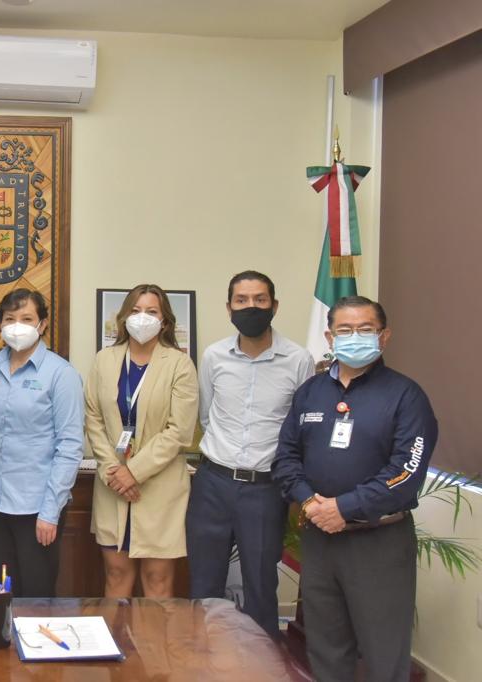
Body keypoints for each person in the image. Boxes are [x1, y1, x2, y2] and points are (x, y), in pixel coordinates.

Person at [273, 295, 437, 682]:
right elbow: (285, 458)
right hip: (320, 539)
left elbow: (406, 471)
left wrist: (344, 508)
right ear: (330, 337)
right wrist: (310, 502)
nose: (355, 337)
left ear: (384, 336)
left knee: (384, 653)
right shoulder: (310, 393)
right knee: (326, 649)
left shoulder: (406, 396)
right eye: (345, 330)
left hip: (378, 543)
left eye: (365, 329)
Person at [185, 271, 314, 638]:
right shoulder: (214, 356)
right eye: (241, 300)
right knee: (203, 584)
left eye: (260, 299)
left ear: (274, 306)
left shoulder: (298, 359)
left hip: (265, 488)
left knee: (260, 585)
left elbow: (301, 428)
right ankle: (201, 661)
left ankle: (262, 663)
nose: (251, 307)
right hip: (213, 483)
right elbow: (207, 416)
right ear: (229, 308)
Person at [0, 289, 83, 597]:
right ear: (0, 324)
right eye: (9, 319)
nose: (17, 326)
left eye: (27, 319)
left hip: (37, 509)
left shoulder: (61, 374)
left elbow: (69, 447)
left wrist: (50, 512)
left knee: (36, 599)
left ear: (42, 324)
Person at [85, 284, 198, 598]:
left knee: (157, 579)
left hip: (159, 485)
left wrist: (133, 472)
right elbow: (93, 418)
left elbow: (179, 430)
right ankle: (114, 634)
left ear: (165, 321)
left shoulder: (179, 364)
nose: (142, 317)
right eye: (135, 311)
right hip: (112, 484)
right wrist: (114, 471)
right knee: (116, 574)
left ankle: (153, 636)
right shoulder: (104, 360)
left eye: (151, 311)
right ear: (123, 317)